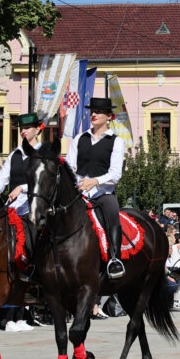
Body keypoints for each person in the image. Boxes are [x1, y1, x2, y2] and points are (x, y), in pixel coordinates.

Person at [66, 99, 128, 280]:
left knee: (112, 213)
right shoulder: (79, 138)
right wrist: (76, 182)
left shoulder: (116, 142)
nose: (94, 114)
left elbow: (116, 174)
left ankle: (115, 260)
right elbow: (69, 166)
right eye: (93, 111)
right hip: (79, 193)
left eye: (99, 111)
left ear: (109, 117)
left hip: (103, 193)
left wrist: (95, 181)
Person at [0, 112, 44, 273]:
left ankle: (36, 270)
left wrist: (22, 187)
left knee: (33, 236)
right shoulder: (15, 154)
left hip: (33, 206)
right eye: (22, 128)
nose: (24, 131)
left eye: (28, 128)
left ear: (37, 129)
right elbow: (2, 177)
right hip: (12, 207)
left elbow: (43, 181)